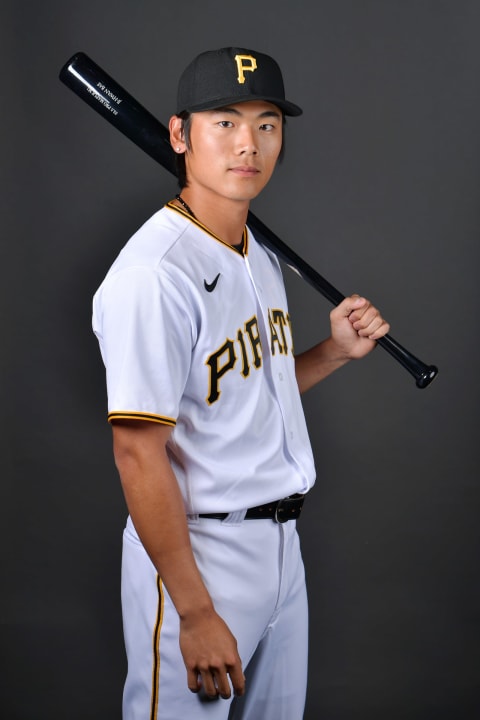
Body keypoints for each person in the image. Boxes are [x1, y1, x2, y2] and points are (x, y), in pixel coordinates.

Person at [92, 47, 390, 720]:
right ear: (178, 135)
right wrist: (195, 611)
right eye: (223, 122)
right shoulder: (153, 275)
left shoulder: (259, 254)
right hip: (198, 555)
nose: (247, 143)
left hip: (284, 549)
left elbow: (252, 394)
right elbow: (137, 450)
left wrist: (335, 354)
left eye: (266, 123)